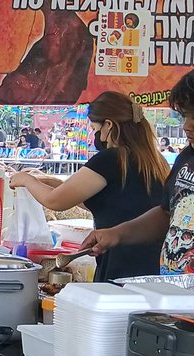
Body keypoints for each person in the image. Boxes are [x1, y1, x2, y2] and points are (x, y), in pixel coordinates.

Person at [12, 92, 166, 281]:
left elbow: (55, 201)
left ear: (109, 125)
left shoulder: (112, 159)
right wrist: (57, 184)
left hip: (120, 265)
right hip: (152, 265)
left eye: (95, 129)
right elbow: (112, 203)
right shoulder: (155, 161)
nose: (96, 135)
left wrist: (26, 179)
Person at [82, 71, 194, 276]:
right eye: (185, 115)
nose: (187, 126)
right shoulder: (187, 158)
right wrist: (117, 234)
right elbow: (166, 212)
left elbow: (57, 200)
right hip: (173, 293)